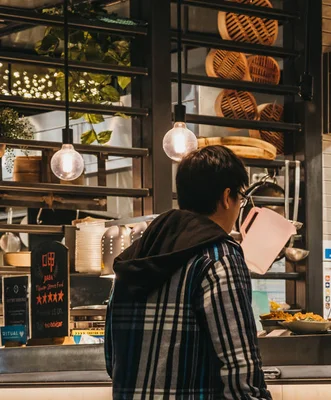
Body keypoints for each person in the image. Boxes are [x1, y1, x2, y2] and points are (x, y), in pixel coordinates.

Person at [105, 146, 272, 400]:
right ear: (227, 197)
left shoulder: (134, 255)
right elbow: (241, 369)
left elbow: (111, 359)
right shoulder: (219, 256)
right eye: (240, 197)